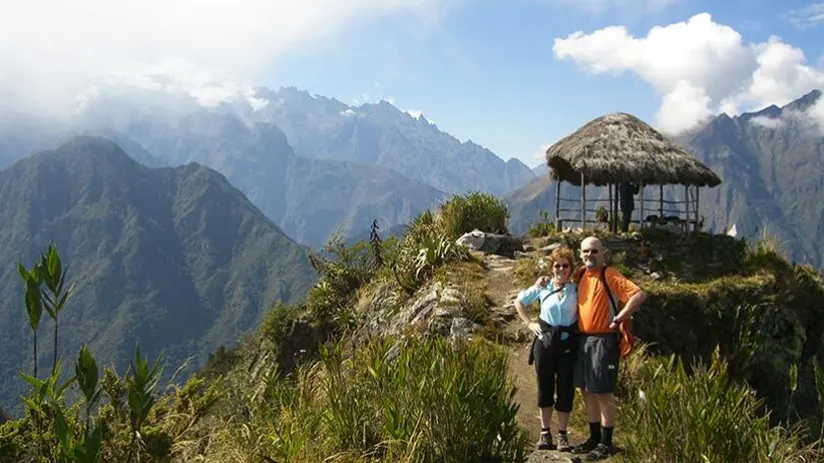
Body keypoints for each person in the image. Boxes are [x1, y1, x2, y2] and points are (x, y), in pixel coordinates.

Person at [570, 236, 646, 460]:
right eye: (585, 251)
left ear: (603, 254)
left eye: (594, 251)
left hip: (604, 340)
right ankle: (594, 438)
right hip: (583, 339)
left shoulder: (609, 274)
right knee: (586, 390)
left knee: (603, 391)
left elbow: (639, 294)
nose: (589, 255)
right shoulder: (581, 274)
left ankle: (606, 442)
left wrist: (621, 317)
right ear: (580, 253)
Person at [514, 246, 580, 452]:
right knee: (545, 386)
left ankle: (562, 435)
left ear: (571, 268)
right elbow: (519, 302)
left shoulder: (577, 289)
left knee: (565, 388)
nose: (561, 269)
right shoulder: (543, 287)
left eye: (565, 266)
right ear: (551, 268)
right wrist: (529, 324)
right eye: (557, 265)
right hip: (545, 342)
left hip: (568, 343)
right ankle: (545, 433)